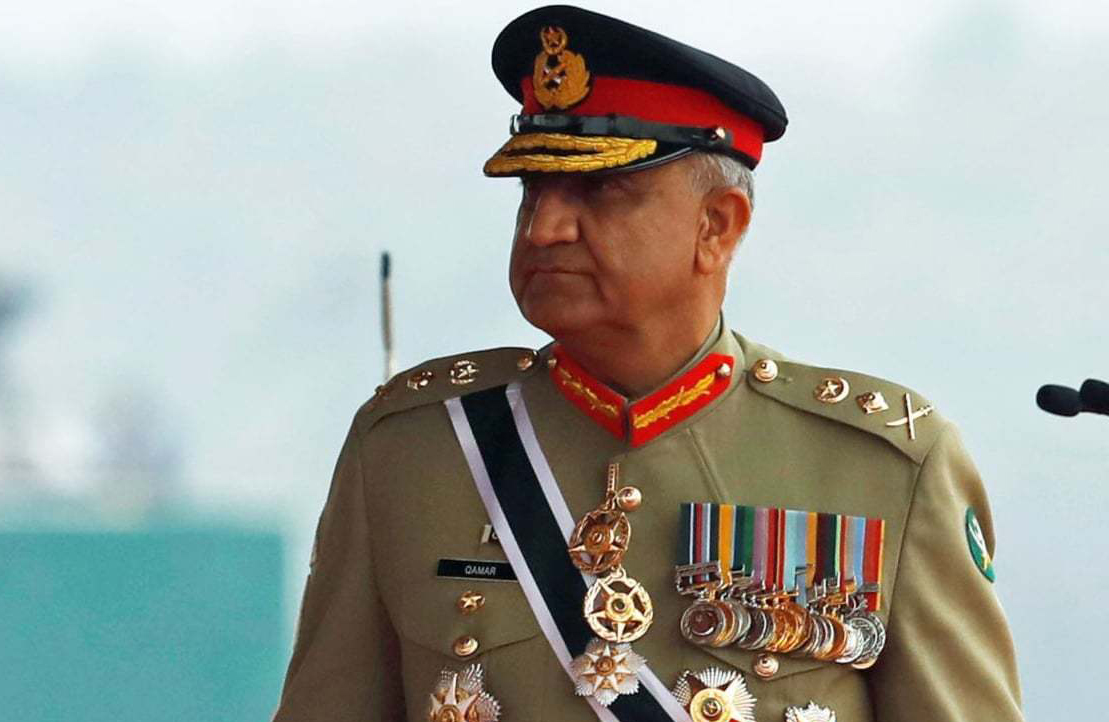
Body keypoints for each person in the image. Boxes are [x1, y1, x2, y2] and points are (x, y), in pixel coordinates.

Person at [273, 5, 1024, 722]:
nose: (545, 227)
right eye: (534, 190)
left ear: (717, 226)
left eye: (600, 191)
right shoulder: (417, 448)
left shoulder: (884, 468)